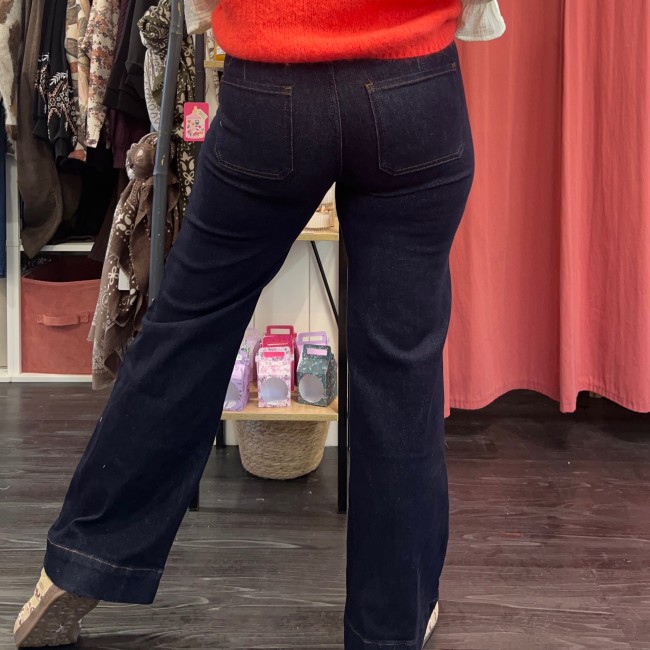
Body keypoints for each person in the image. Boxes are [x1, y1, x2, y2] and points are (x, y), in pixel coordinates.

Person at [14, 1, 505, 648]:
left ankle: (85, 556)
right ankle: (392, 626)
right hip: (413, 83)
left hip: (275, 82)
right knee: (400, 368)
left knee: (189, 327)